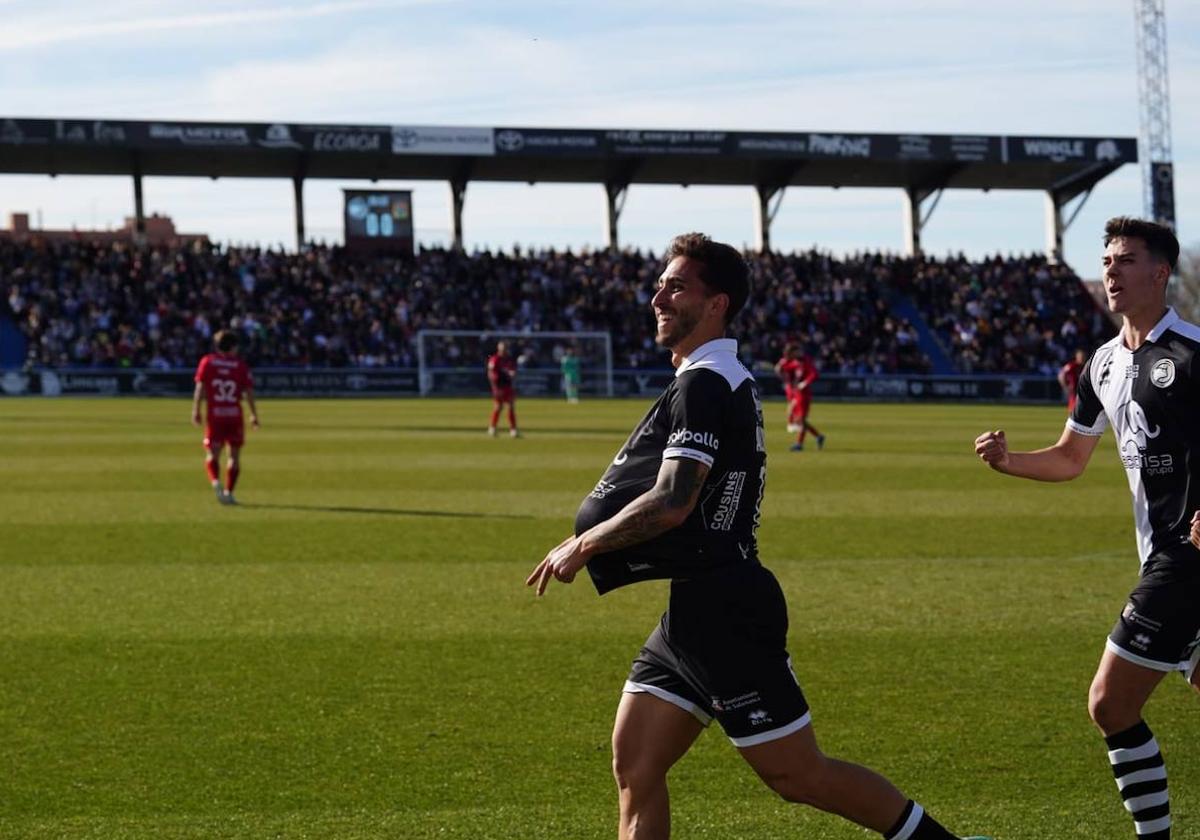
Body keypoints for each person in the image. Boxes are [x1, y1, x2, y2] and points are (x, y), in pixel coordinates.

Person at [528, 233, 988, 840]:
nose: (658, 295)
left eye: (677, 285)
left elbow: (673, 500)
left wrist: (585, 544)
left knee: (800, 777)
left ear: (716, 303)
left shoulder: (708, 382)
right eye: (661, 284)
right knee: (636, 762)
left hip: (727, 611)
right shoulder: (706, 377)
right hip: (690, 614)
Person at [975, 217, 1198, 840]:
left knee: (1109, 703)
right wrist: (1010, 462)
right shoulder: (1100, 364)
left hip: (1185, 559)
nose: (1110, 270)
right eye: (1106, 260)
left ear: (1160, 273)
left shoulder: (1192, 354)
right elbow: (1071, 457)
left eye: (1125, 260)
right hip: (1160, 553)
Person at [191, 330, 258, 505]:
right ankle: (229, 492)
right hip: (234, 415)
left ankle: (215, 482)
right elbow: (248, 392)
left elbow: (200, 388)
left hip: (215, 415)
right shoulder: (240, 365)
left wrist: (196, 410)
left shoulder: (207, 362)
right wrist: (253, 415)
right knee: (234, 456)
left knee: (212, 454)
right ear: (234, 346)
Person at [774, 342, 825, 451]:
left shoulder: (805, 361)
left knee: (800, 419)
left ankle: (799, 444)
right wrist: (780, 366)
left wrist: (804, 383)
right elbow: (784, 369)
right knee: (799, 419)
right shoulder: (795, 362)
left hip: (804, 394)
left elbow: (814, 374)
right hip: (797, 394)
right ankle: (818, 436)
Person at [486, 340, 520, 437]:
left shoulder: (509, 359)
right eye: (502, 348)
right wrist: (495, 387)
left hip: (508, 386)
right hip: (499, 386)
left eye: (505, 348)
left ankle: (513, 430)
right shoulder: (495, 359)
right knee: (498, 407)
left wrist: (513, 373)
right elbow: (491, 373)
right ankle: (492, 428)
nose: (504, 350)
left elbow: (513, 370)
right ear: (499, 349)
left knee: (511, 406)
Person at [1057, 347, 1088, 413]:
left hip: (1084, 392)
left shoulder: (1086, 366)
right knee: (1074, 411)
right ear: (1076, 357)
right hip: (1074, 392)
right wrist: (1065, 386)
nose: (1082, 358)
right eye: (1080, 356)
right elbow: (1061, 375)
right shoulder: (1072, 366)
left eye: (1083, 356)